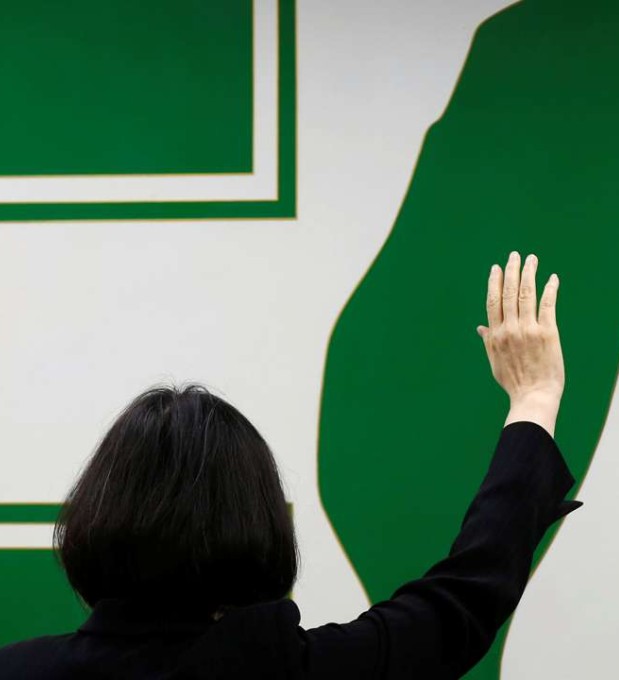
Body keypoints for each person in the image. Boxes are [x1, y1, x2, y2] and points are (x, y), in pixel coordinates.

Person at [0, 250, 581, 679]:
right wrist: (532, 400)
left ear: (97, 522)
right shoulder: (303, 670)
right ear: (254, 526)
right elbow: (467, 595)